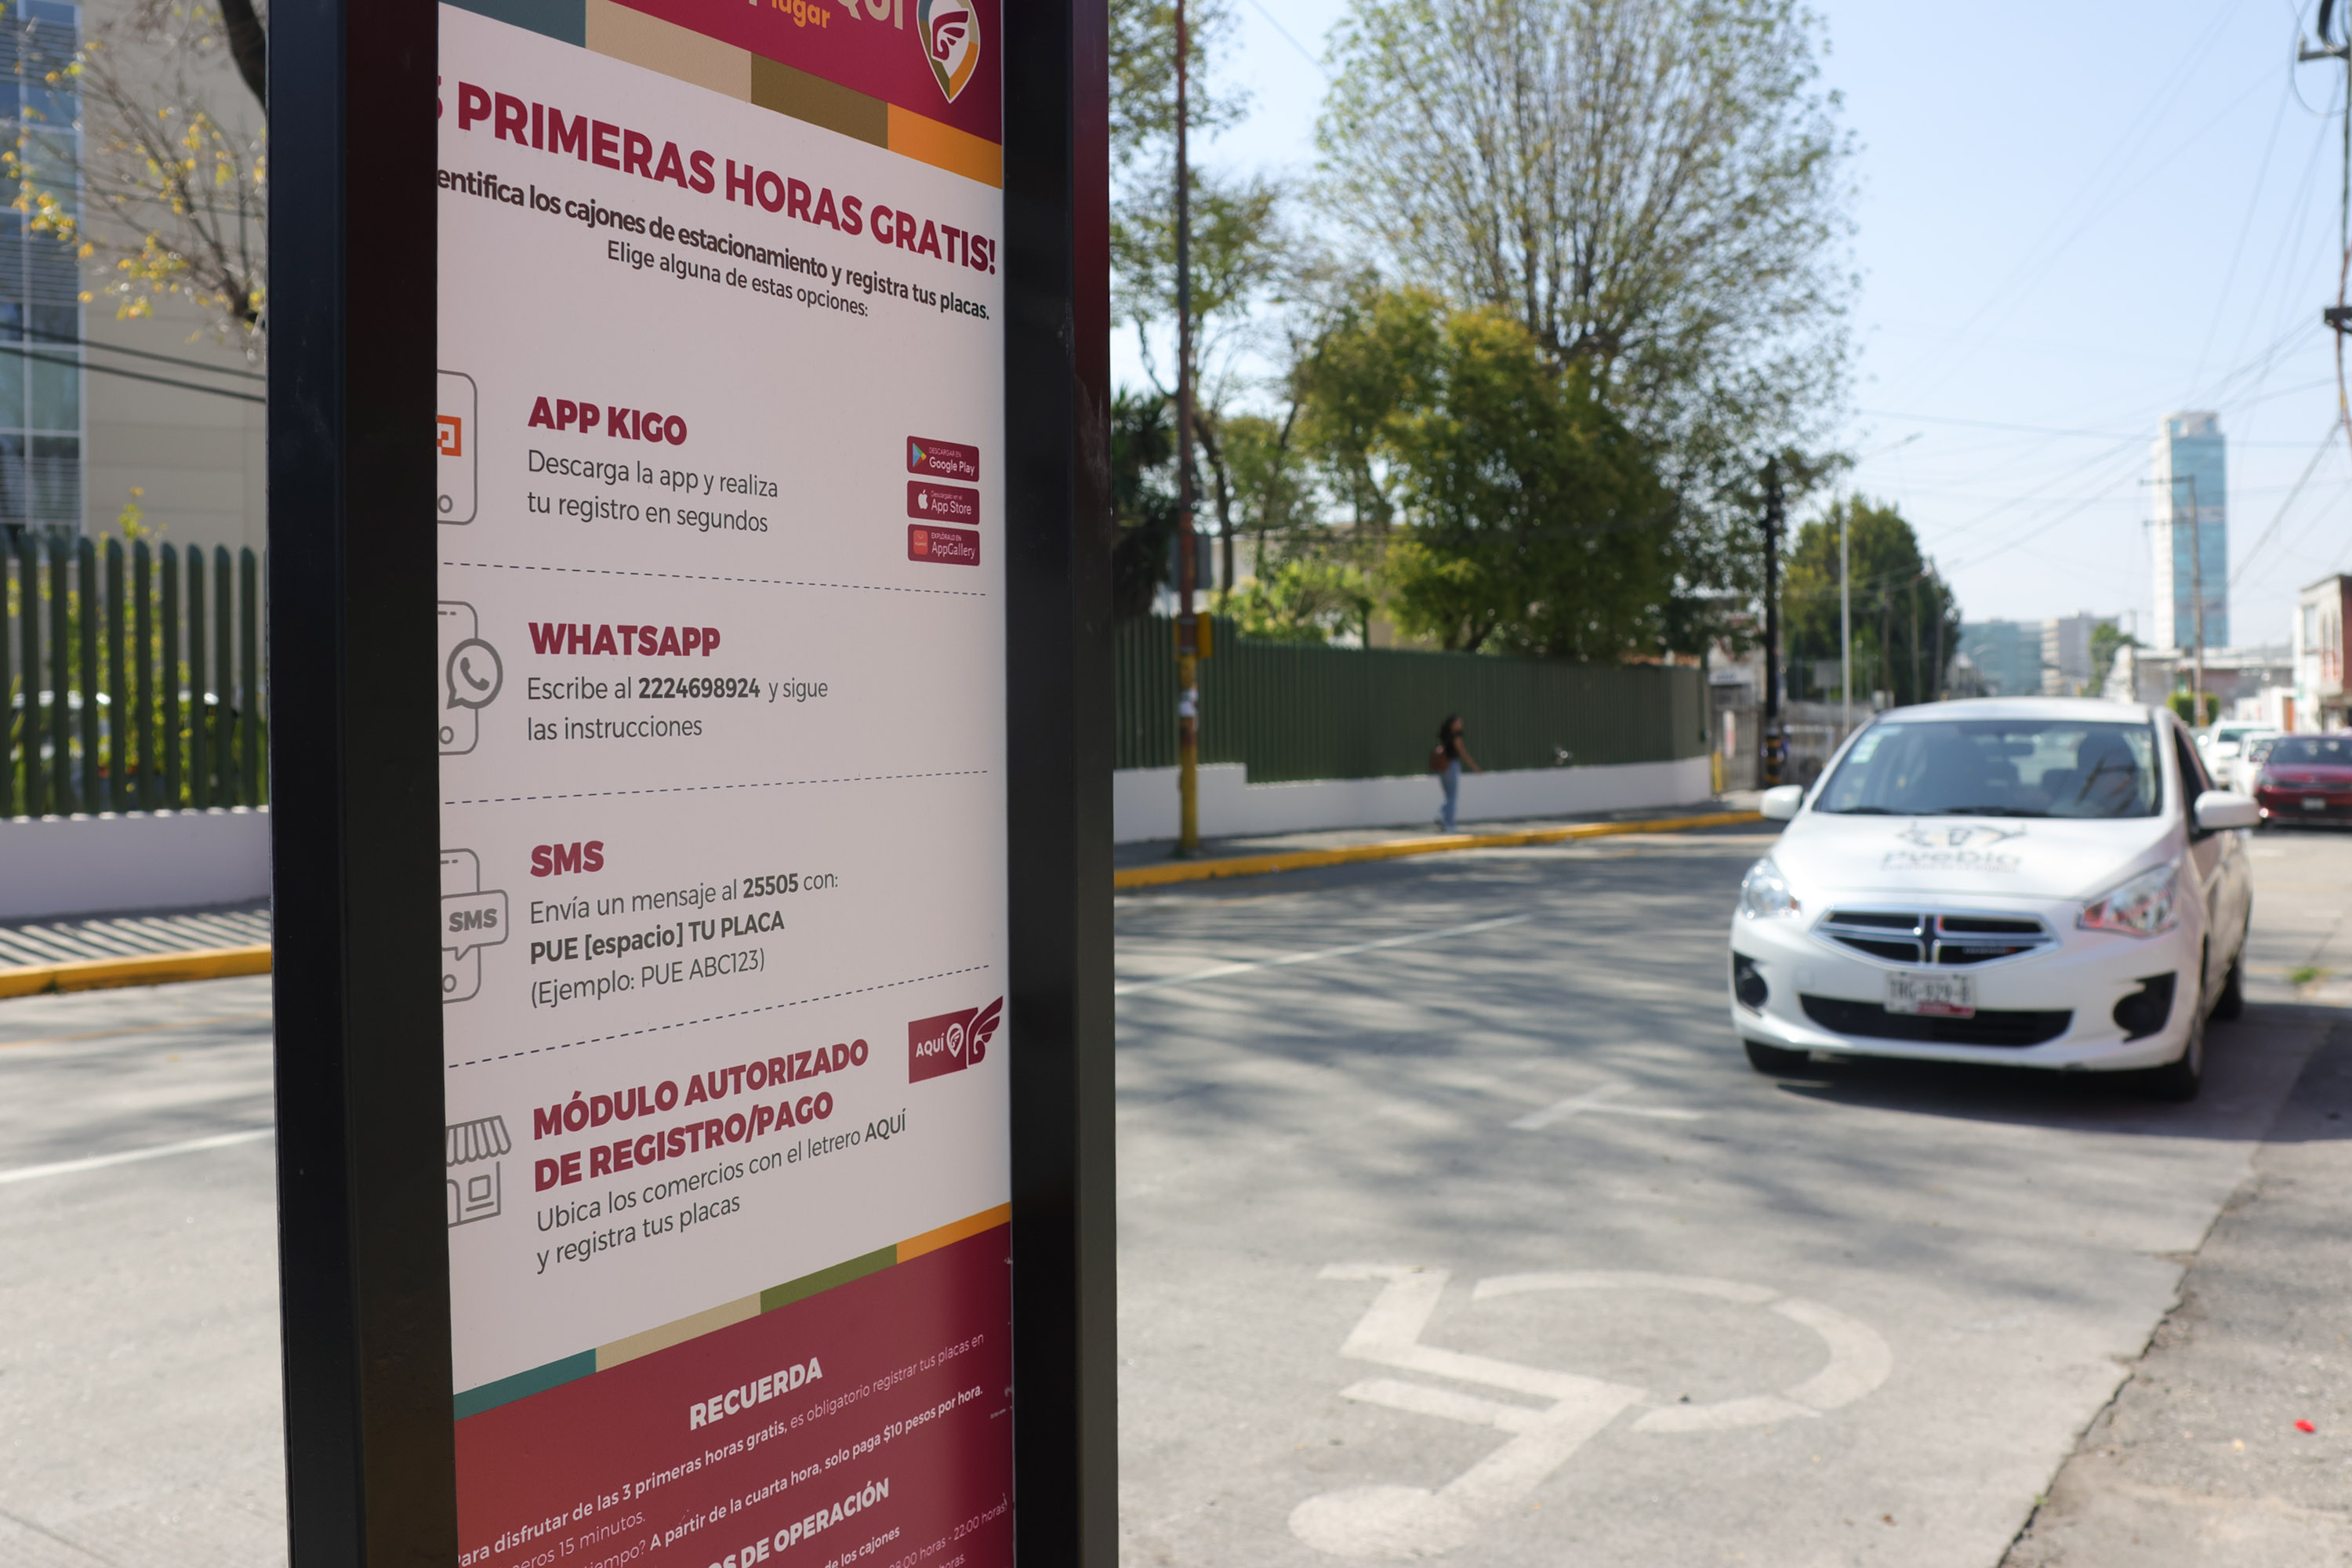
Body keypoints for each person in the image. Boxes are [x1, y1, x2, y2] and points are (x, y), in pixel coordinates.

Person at [1433, 714, 1482, 831]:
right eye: (1458, 722)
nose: (1461, 724)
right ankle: (1449, 823)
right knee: (1452, 796)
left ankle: (1441, 816)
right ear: (1453, 724)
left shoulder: (1444, 736)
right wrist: (1474, 766)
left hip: (1442, 767)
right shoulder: (1455, 736)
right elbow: (1463, 753)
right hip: (1451, 766)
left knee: (1448, 795)